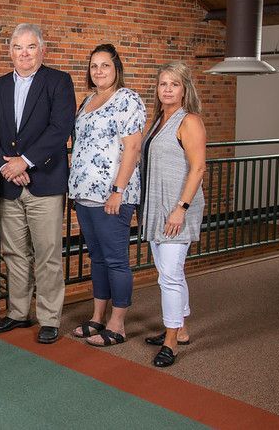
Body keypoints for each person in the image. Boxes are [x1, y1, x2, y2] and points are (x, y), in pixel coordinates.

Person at [0, 24, 76, 344]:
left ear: (42, 50)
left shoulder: (58, 81)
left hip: (45, 182)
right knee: (13, 251)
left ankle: (49, 317)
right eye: (18, 47)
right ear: (10, 51)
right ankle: (18, 312)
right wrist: (5, 166)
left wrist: (25, 161)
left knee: (47, 253)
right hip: (9, 183)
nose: (24, 54)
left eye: (30, 47)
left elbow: (60, 128)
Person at [68, 44, 146, 347]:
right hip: (84, 195)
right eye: (94, 66)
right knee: (97, 258)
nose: (98, 71)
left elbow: (133, 148)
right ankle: (98, 317)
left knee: (115, 260)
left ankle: (118, 324)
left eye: (105, 65)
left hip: (112, 196)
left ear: (117, 69)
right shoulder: (88, 100)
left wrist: (118, 190)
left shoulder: (127, 99)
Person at [141, 61, 206, 368]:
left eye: (174, 84)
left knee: (169, 275)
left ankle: (170, 343)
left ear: (184, 90)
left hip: (177, 209)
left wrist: (181, 208)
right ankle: (180, 329)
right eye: (163, 84)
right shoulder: (158, 121)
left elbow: (198, 168)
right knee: (171, 273)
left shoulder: (189, 121)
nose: (167, 89)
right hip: (158, 207)